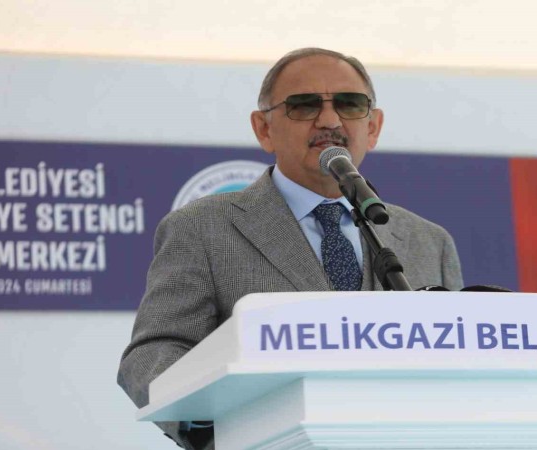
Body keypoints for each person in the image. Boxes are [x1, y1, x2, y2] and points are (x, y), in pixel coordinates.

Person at [117, 48, 464, 450]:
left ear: (373, 126)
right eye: (304, 105)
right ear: (263, 128)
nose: (330, 121)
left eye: (350, 104)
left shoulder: (429, 242)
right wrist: (221, 429)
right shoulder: (203, 228)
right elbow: (152, 354)